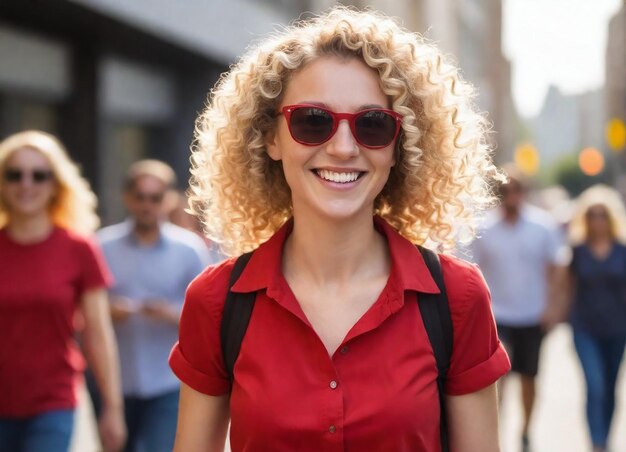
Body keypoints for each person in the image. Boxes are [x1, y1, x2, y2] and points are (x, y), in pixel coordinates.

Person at [169, 7, 511, 452]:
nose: (343, 148)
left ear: (398, 147)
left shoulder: (458, 298)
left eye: (372, 125)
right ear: (271, 138)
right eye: (313, 121)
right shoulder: (215, 303)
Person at [0, 130, 126, 452]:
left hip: (53, 402)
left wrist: (112, 408)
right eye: (15, 175)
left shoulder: (78, 248)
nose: (26, 184)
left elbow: (98, 333)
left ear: (55, 184)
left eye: (39, 175)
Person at [96, 159, 212, 452]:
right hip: (115, 382)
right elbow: (86, 310)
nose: (147, 205)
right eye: (140, 196)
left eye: (155, 197)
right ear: (127, 198)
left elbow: (208, 316)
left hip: (168, 382)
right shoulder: (102, 246)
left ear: (169, 199)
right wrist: (107, 312)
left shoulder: (189, 250)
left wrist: (170, 313)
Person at [470, 165, 568, 452]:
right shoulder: (484, 228)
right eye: (504, 191)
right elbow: (470, 270)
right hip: (496, 316)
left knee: (529, 377)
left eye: (515, 190)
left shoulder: (542, 226)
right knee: (498, 378)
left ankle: (525, 430)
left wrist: (554, 307)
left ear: (524, 193)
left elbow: (557, 268)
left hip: (532, 314)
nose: (510, 196)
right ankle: (496, 432)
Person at [566, 184, 626, 452]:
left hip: (617, 327)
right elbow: (567, 287)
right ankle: (597, 444)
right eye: (592, 214)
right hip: (584, 327)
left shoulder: (622, 250)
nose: (597, 220)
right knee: (595, 384)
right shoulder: (577, 250)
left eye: (602, 214)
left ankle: (606, 437)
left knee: (611, 387)